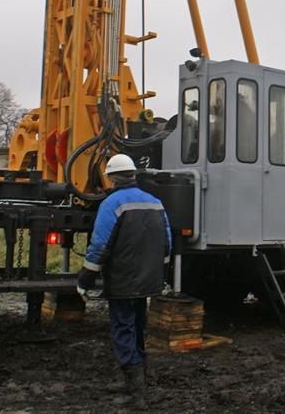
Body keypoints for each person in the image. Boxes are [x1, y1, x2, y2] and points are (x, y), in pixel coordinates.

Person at [76, 153, 172, 409]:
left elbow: (100, 246)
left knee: (123, 328)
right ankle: (136, 382)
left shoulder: (112, 204)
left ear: (112, 178)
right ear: (132, 174)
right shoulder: (155, 202)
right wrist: (159, 272)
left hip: (122, 281)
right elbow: (167, 243)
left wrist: (86, 278)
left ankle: (135, 392)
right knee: (138, 327)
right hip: (147, 281)